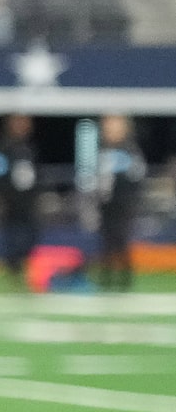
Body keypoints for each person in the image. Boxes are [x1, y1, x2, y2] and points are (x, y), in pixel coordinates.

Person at [0, 113, 40, 282]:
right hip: (9, 200)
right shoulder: (2, 146)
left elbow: (36, 174)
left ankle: (27, 267)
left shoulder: (29, 146)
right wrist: (0, 195)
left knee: (30, 235)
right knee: (11, 236)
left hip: (28, 201)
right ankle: (13, 270)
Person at [93, 112, 141, 291]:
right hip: (105, 204)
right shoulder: (102, 150)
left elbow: (137, 177)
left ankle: (124, 279)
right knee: (106, 241)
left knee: (121, 240)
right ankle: (106, 278)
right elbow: (94, 178)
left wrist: (130, 199)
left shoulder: (129, 150)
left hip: (123, 204)